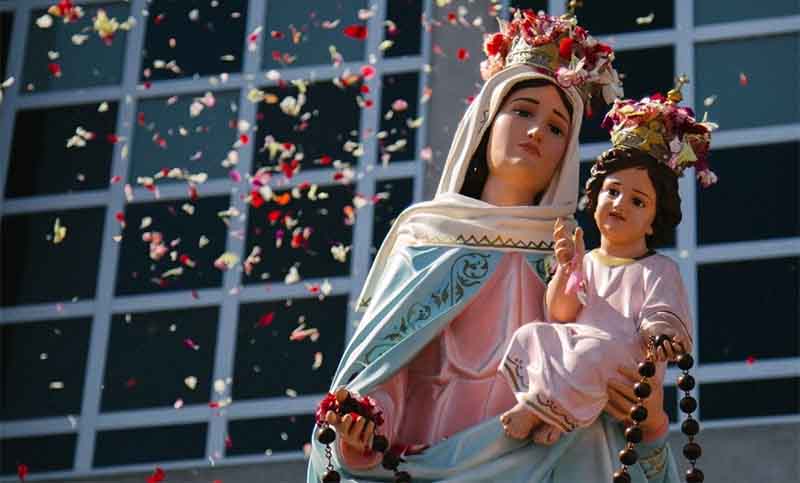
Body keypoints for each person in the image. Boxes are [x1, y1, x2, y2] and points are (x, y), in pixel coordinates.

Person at [308, 10, 681, 482]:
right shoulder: (429, 243)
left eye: (556, 127)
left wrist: (649, 423)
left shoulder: (575, 263)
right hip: (431, 461)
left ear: (566, 156)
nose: (535, 132)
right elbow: (383, 376)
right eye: (523, 111)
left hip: (548, 462)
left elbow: (611, 388)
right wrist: (360, 421)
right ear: (486, 121)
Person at [498, 84, 716, 446]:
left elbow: (662, 312)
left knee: (591, 353)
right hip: (582, 347)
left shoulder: (657, 269)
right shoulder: (590, 260)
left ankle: (536, 410)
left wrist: (660, 333)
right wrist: (568, 269)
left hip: (624, 360)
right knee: (535, 335)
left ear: (653, 220)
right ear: (594, 197)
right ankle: (557, 418)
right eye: (612, 191)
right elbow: (561, 313)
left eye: (638, 201)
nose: (620, 204)